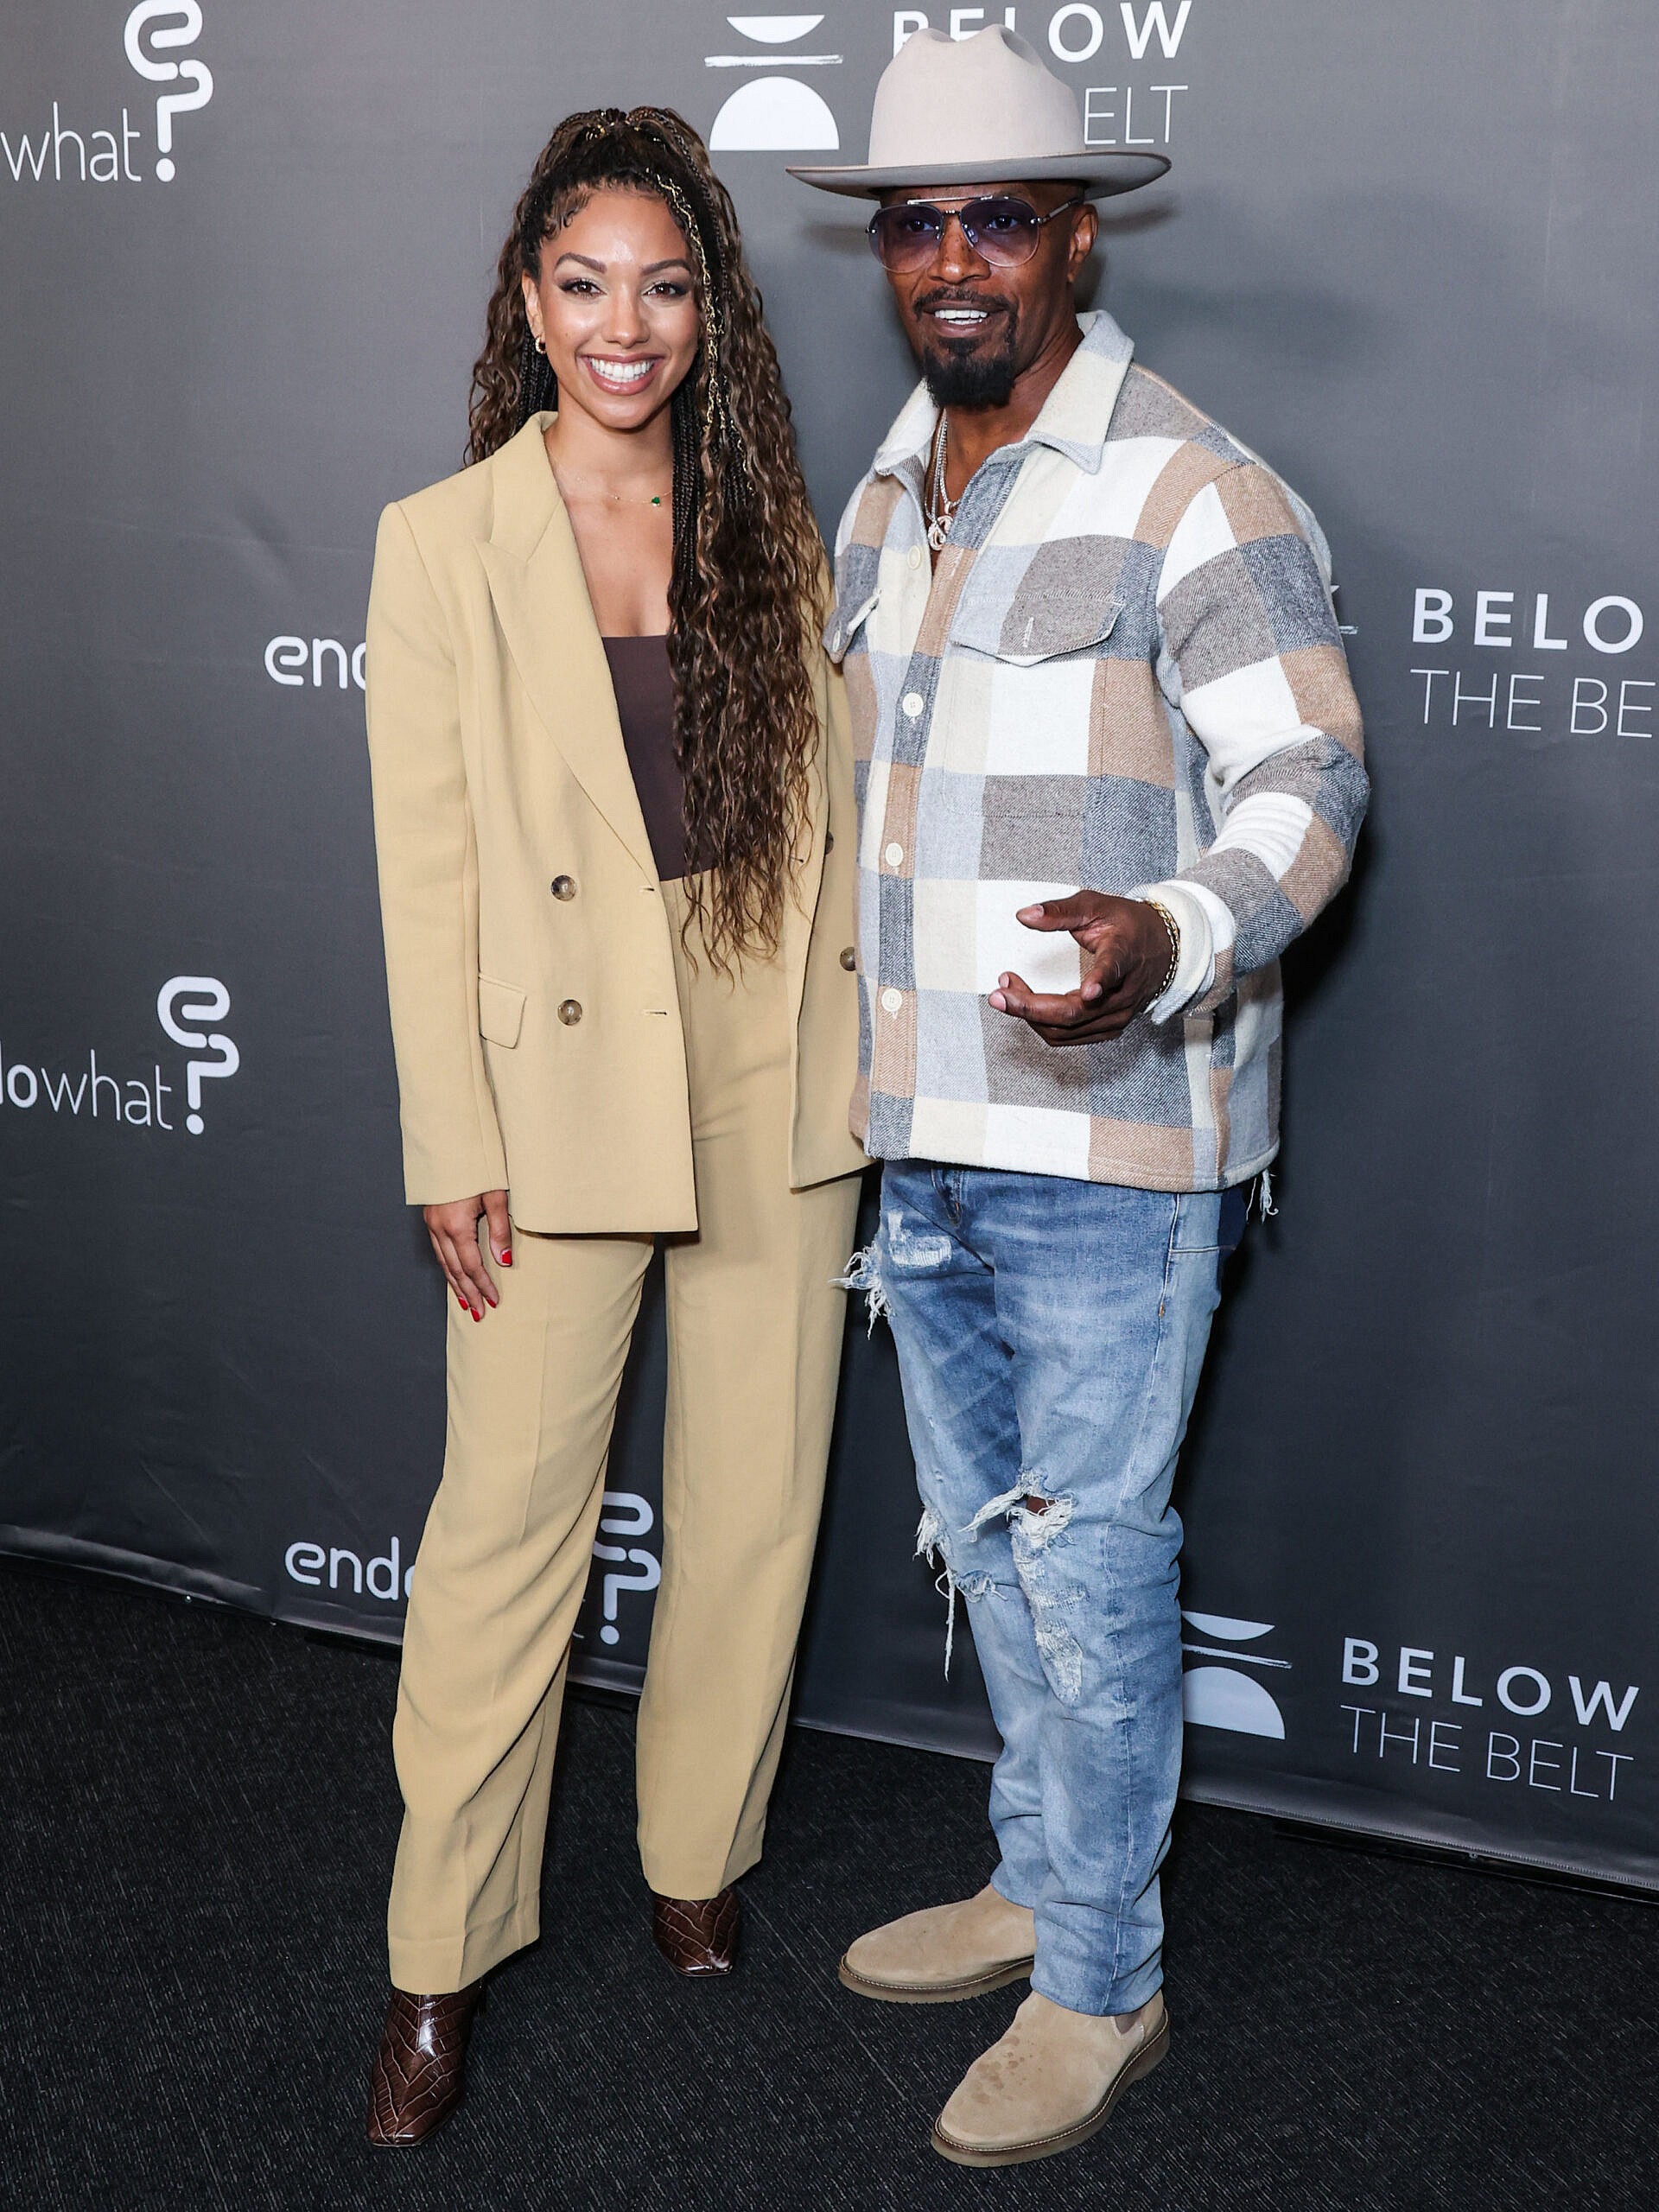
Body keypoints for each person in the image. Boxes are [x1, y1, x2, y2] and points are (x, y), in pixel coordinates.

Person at [791, 28, 1369, 2169]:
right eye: (918, 222)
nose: (953, 260)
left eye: (997, 220)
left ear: (1074, 240)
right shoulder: (891, 482)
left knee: (1097, 1564)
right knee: (1005, 1549)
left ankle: (1102, 1980)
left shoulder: (1192, 484)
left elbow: (1313, 784)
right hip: (924, 1124)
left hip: (1117, 1143)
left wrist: (1172, 933)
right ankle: (1038, 1873)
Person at [360, 105, 865, 2147]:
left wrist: (860, 1064)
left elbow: (823, 823)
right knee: (503, 1538)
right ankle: (433, 1957)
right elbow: (427, 872)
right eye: (585, 283)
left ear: (709, 308)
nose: (624, 324)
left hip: (761, 1044)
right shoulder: (440, 538)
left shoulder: (777, 524)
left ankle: (692, 1855)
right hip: (551, 1078)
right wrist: (448, 1136)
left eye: (665, 284)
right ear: (529, 301)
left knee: (753, 1499)